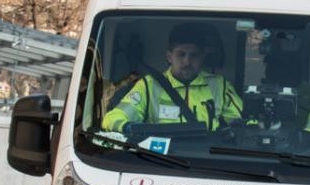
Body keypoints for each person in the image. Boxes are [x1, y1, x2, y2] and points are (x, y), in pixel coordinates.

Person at [102, 23, 242, 132]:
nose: (187, 62)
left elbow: (242, 123)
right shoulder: (149, 86)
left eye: (194, 55)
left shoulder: (220, 85)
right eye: (181, 54)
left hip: (205, 162)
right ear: (169, 57)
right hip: (160, 161)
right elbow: (111, 119)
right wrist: (130, 128)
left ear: (203, 57)